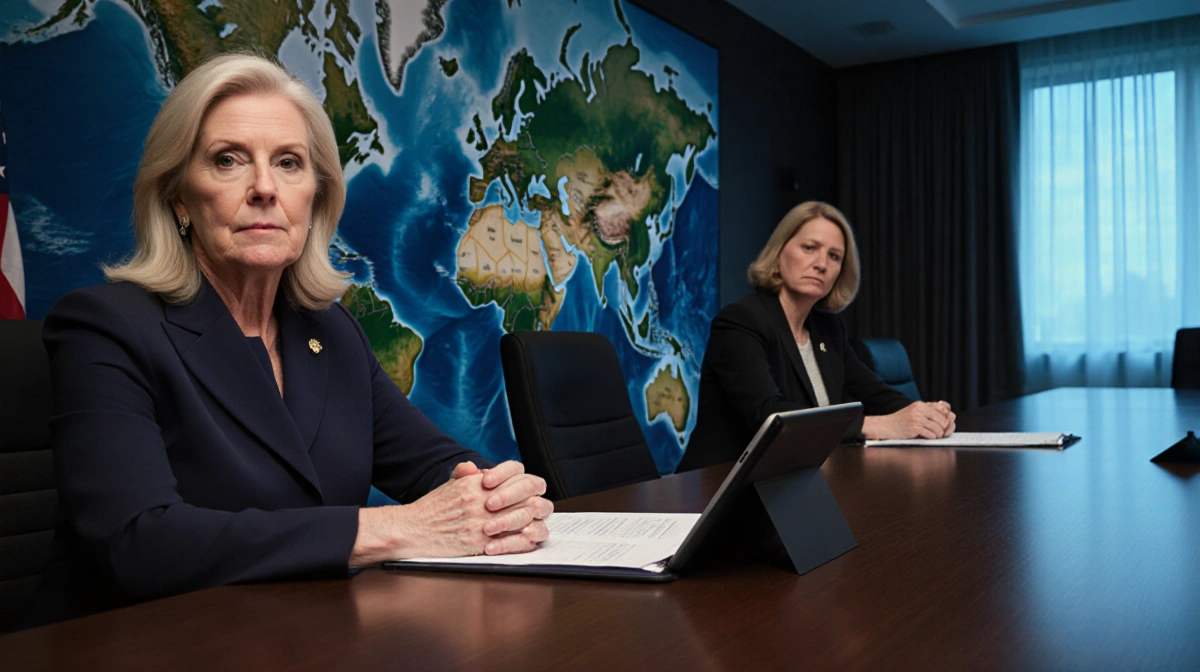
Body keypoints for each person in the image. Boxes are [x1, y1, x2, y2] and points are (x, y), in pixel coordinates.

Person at [31, 53, 552, 624]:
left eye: (288, 162)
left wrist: (500, 498)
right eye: (228, 160)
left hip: (308, 635)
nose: (264, 188)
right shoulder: (106, 326)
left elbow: (436, 464)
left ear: (315, 197)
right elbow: (135, 542)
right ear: (179, 196)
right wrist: (389, 528)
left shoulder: (331, 332)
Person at [677, 201, 955, 473]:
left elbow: (875, 393)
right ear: (779, 253)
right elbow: (769, 415)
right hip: (722, 488)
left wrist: (927, 415)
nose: (821, 264)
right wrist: (877, 426)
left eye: (834, 256)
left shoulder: (829, 330)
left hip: (796, 481)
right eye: (809, 248)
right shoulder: (741, 321)